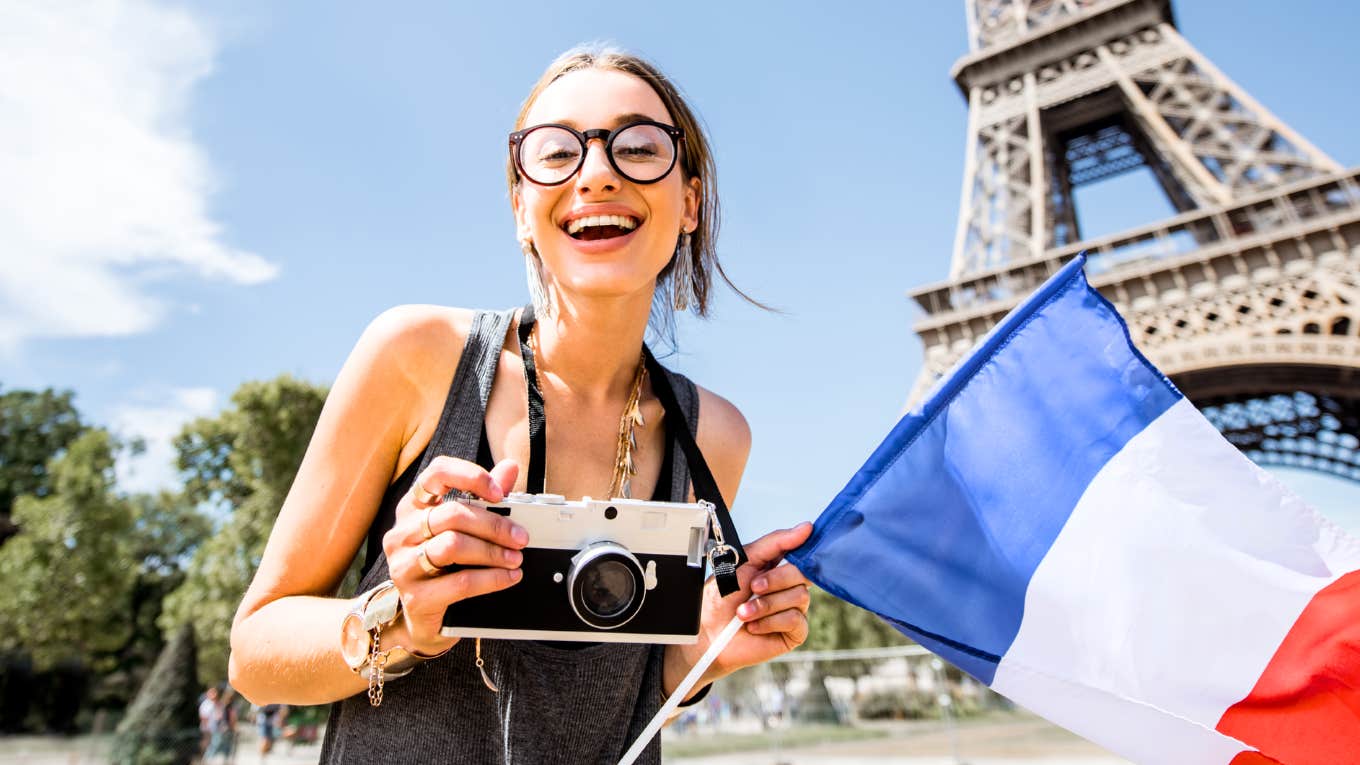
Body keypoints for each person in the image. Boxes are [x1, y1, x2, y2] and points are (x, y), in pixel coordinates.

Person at [227, 44, 813, 764]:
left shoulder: (716, 434)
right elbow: (253, 654)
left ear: (689, 202)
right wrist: (401, 619)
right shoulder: (416, 356)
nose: (597, 174)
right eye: (556, 152)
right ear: (519, 209)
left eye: (638, 146)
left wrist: (705, 653)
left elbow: (626, 698)